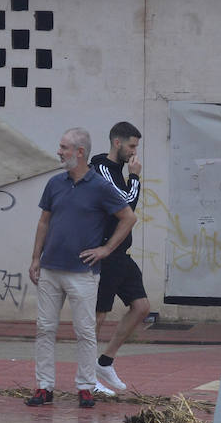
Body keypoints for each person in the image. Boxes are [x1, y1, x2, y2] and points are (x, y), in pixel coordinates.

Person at [27, 127, 137, 408]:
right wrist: (36, 258)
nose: (58, 151)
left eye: (63, 147)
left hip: (83, 273)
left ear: (79, 152)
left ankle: (86, 388)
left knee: (86, 332)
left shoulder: (100, 186)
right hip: (51, 269)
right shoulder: (55, 183)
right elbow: (43, 222)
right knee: (44, 329)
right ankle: (43, 387)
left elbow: (128, 218)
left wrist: (106, 249)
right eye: (60, 146)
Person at [90, 121, 151, 397]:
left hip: (121, 254)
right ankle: (87, 375)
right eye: (132, 146)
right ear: (117, 143)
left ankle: (105, 362)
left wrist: (130, 176)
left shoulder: (118, 171)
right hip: (105, 251)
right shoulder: (102, 168)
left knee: (141, 307)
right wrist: (135, 177)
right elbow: (125, 205)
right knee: (98, 315)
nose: (134, 152)